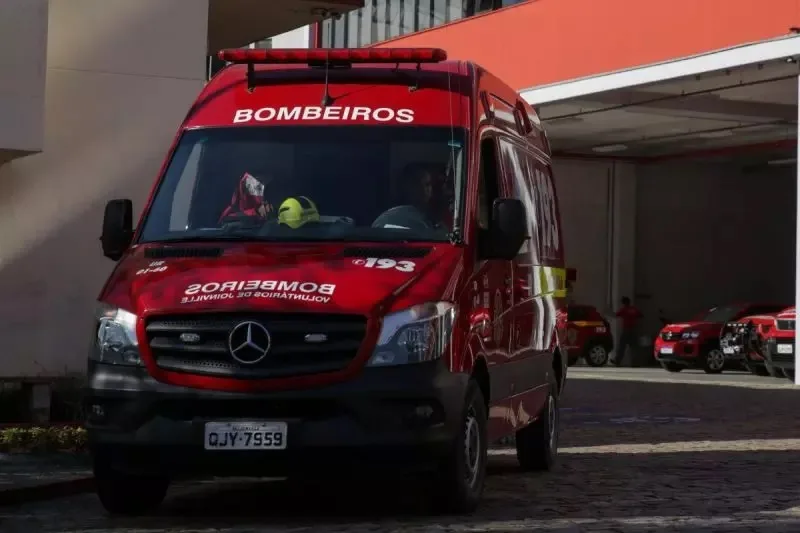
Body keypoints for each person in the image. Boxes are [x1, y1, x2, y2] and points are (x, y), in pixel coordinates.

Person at [399, 163, 449, 229]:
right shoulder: (397, 213)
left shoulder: (436, 215)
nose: (424, 189)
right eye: (416, 185)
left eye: (428, 184)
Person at [613, 296, 643, 367]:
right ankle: (635, 363)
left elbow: (616, 315)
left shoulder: (624, 309)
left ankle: (617, 361)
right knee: (634, 347)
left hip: (626, 330)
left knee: (622, 346)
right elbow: (641, 315)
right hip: (634, 330)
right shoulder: (634, 309)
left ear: (624, 303)